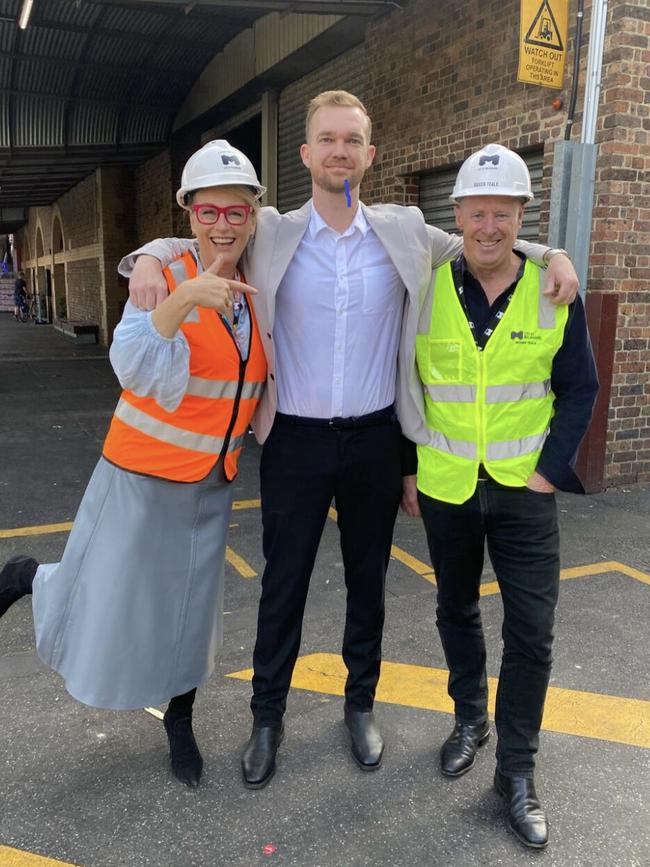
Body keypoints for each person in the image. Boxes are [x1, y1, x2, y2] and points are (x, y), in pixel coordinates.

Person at [120, 91, 580, 791]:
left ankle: (359, 703)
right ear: (306, 155)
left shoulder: (404, 232)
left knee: (369, 584)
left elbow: (492, 239)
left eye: (353, 139)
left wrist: (557, 253)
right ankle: (266, 717)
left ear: (370, 155)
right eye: (326, 139)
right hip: (296, 441)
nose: (340, 150)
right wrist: (146, 260)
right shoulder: (272, 231)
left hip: (373, 439)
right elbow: (204, 235)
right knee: (284, 586)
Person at [0, 140, 266, 789]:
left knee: (189, 613)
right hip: (141, 476)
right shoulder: (164, 278)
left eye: (237, 211)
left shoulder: (258, 285)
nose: (223, 224)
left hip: (210, 485)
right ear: (188, 214)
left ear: (255, 213)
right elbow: (135, 368)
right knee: (108, 595)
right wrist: (180, 295)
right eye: (208, 212)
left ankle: (180, 718)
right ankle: (26, 576)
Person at [399, 144, 599, 848]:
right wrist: (408, 469)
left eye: (504, 213)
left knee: (532, 634)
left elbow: (580, 389)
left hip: (524, 493)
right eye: (477, 212)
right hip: (447, 487)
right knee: (454, 608)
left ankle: (515, 772)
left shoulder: (553, 290)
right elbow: (405, 385)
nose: (489, 226)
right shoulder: (421, 287)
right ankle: (468, 718)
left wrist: (548, 471)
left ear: (522, 217)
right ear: (456, 216)